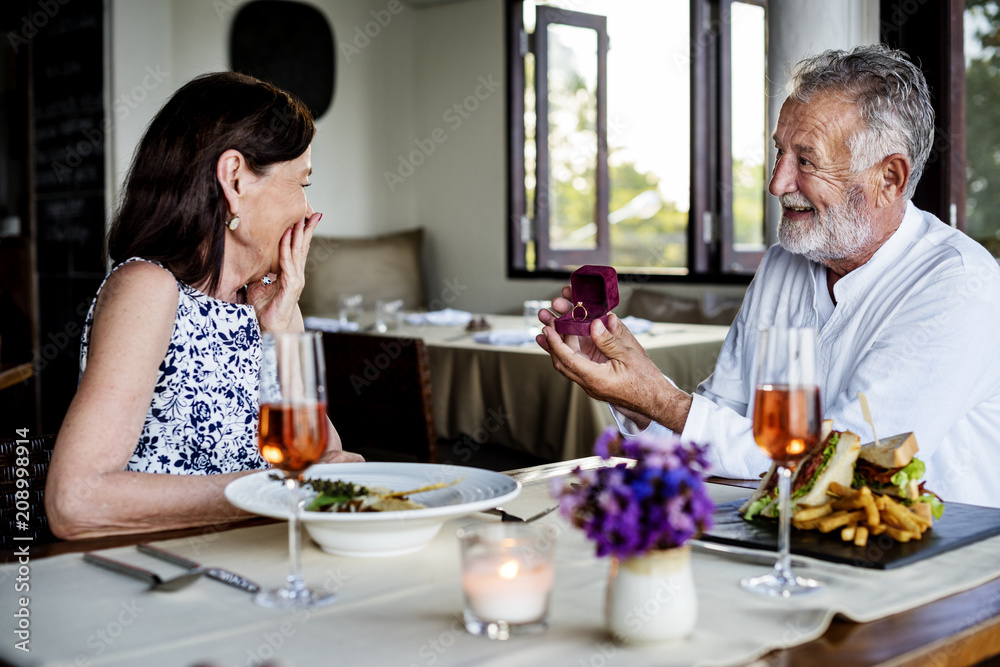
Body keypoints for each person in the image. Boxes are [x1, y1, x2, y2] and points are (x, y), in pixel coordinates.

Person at [538, 45, 1000, 508]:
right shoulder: (784, 263)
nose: (777, 183)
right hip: (787, 545)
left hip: (938, 565)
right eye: (780, 152)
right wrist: (628, 388)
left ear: (890, 178)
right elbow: (719, 431)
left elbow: (844, 469)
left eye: (806, 160)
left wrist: (660, 399)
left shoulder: (959, 285)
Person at [45, 72, 362, 540]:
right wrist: (269, 494)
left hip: (259, 563)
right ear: (234, 179)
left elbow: (322, 461)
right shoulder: (148, 289)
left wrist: (280, 330)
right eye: (300, 183)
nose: (306, 210)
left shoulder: (267, 302)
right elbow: (76, 502)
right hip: (161, 575)